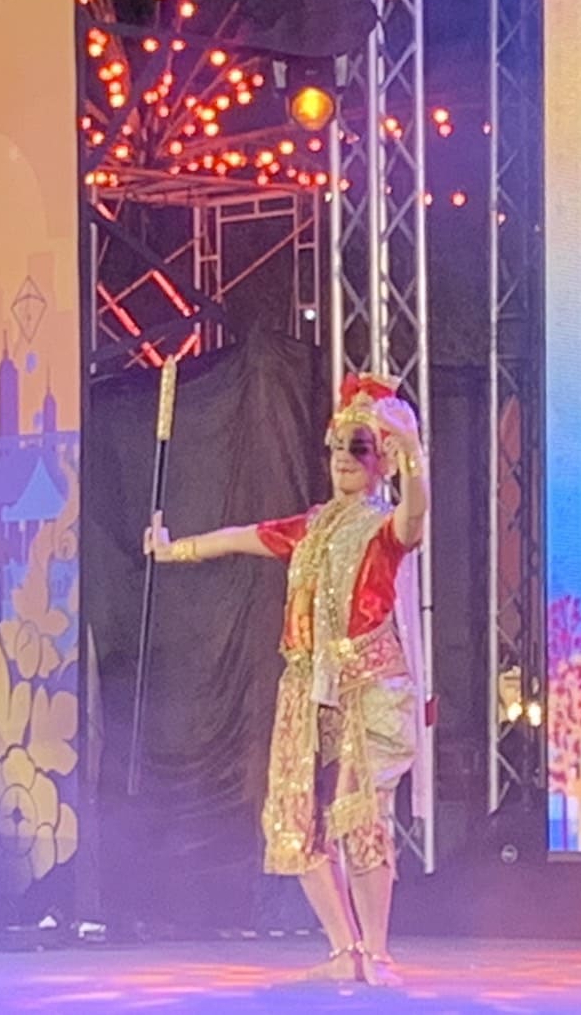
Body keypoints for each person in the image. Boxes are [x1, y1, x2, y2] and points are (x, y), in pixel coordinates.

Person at [144, 372, 428, 987]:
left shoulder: (383, 528)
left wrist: (413, 449)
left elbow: (415, 514)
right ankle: (344, 949)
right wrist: (174, 549)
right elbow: (241, 537)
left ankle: (377, 953)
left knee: (359, 814)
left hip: (363, 685)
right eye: (337, 446)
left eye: (359, 448)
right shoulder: (312, 526)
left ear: (380, 460)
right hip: (305, 687)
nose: (344, 459)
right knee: (294, 816)